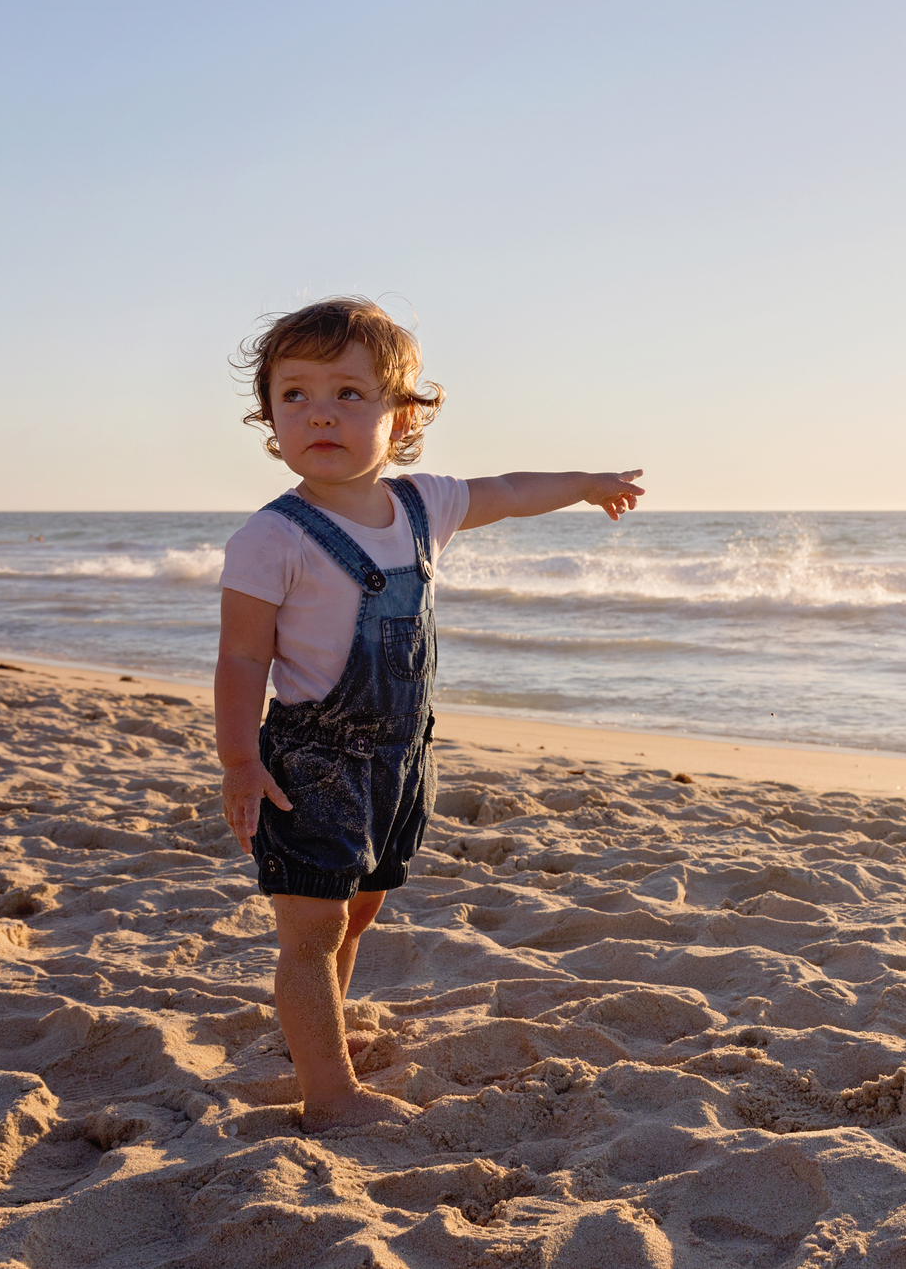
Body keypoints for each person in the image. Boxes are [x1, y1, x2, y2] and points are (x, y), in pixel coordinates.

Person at [213, 296, 642, 1132]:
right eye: (294, 395)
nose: (320, 413)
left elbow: (512, 491)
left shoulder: (422, 508)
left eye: (348, 393)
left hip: (401, 759)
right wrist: (238, 757)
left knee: (363, 904)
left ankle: (317, 1026)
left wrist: (586, 484)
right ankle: (328, 1092)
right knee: (310, 924)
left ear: (401, 415)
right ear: (268, 415)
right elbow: (240, 657)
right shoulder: (272, 538)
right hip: (313, 761)